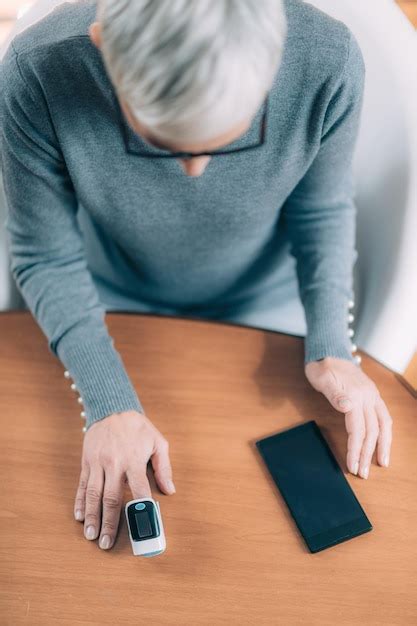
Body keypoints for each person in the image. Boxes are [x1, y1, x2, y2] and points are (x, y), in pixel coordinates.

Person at [0, 0, 393, 553]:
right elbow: (44, 255)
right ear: (106, 48)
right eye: (168, 141)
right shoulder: (35, 70)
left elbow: (321, 210)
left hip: (269, 300)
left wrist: (332, 346)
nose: (194, 173)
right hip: (107, 298)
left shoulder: (328, 59)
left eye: (221, 139)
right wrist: (107, 401)